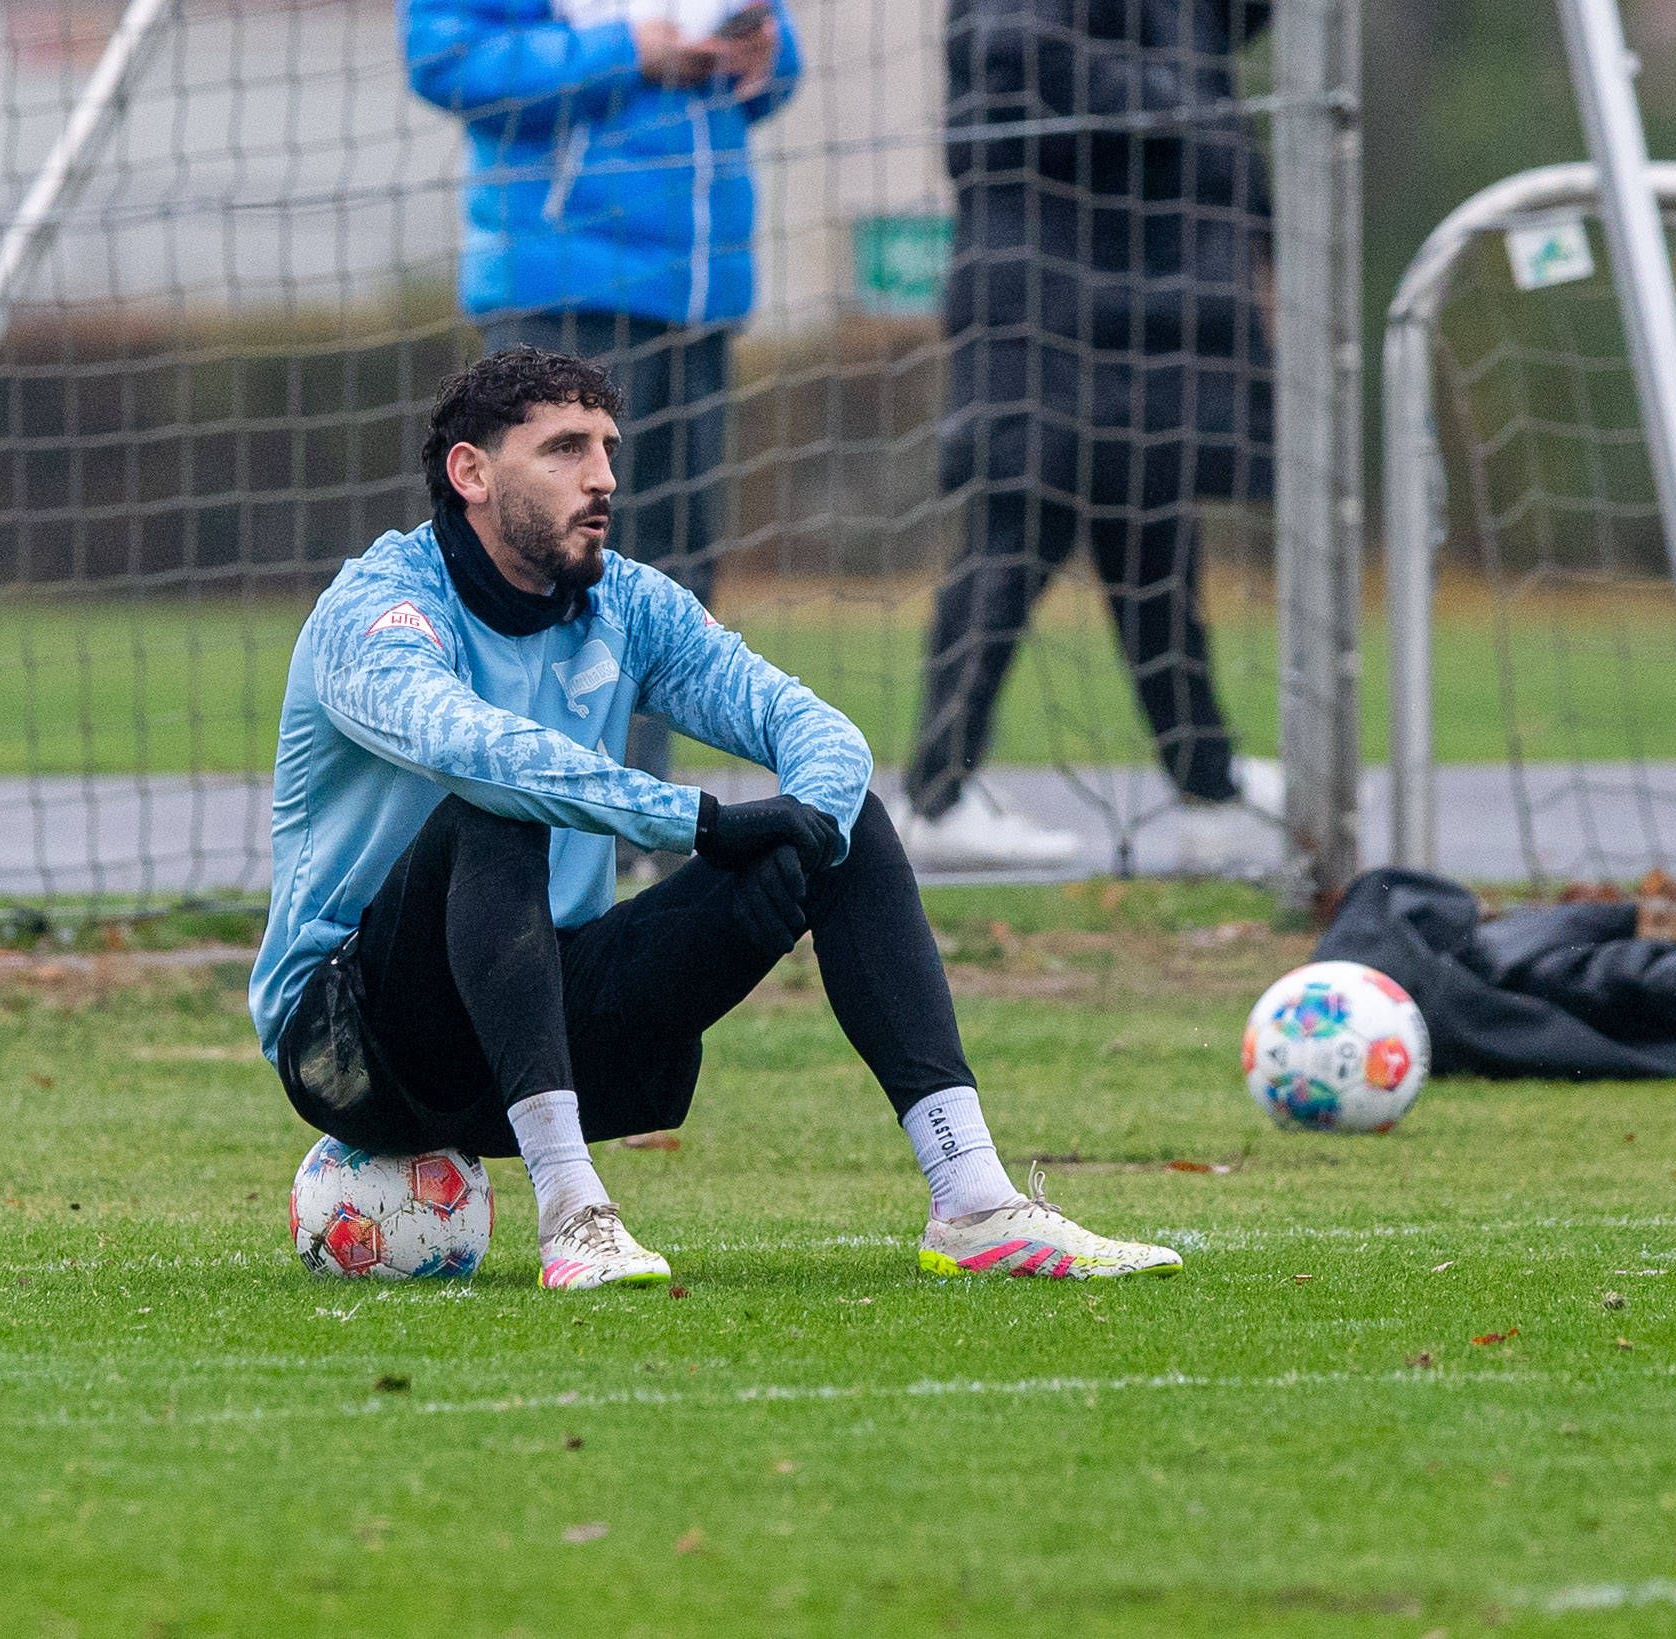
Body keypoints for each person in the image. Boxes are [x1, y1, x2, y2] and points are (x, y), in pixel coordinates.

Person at [249, 347, 1182, 1289]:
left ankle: (972, 1194)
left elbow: (808, 723)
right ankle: (576, 1212)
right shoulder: (380, 608)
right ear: (472, 472)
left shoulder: (629, 604)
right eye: (565, 449)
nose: (603, 476)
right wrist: (696, 820)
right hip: (352, 1040)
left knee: (841, 822)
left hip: (540, 1027)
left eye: (608, 448)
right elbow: (479, 752)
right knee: (497, 808)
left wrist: (806, 819)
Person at [899, 0, 1282, 874]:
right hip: (1047, 295)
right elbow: (1011, 46)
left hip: (1141, 293)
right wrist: (1175, 103)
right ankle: (935, 795)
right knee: (1016, 536)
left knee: (1154, 549)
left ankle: (1209, 792)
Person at [401, 0, 799, 791]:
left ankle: (632, 811)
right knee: (540, 555)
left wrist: (765, 54)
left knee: (673, 571)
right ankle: (513, 801)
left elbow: (770, 73)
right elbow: (444, 56)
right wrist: (624, 51)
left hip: (698, 291)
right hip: (566, 282)